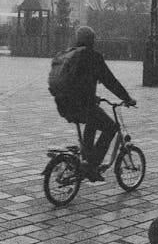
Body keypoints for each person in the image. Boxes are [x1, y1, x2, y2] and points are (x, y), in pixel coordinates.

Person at [54, 26, 136, 182]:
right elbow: (110, 81)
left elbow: (77, 82)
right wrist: (127, 98)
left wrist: (93, 96)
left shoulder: (69, 55)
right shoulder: (93, 57)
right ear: (92, 40)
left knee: (92, 121)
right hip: (83, 106)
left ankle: (86, 158)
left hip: (65, 106)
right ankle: (92, 166)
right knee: (111, 127)